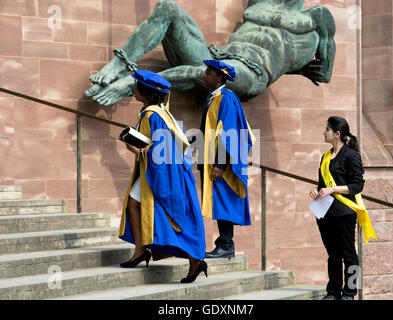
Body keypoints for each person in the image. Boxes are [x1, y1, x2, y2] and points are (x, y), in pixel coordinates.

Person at [85, 0, 335, 105]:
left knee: (206, 71)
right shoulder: (260, 3)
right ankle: (120, 64)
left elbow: (324, 73)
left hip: (252, 71)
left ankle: (132, 82)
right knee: (168, 7)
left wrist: (297, 66)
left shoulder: (317, 17)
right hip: (219, 54)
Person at [118, 69, 207, 283]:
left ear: (146, 92)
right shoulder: (161, 112)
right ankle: (140, 250)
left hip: (159, 173)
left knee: (170, 216)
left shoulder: (151, 115)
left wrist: (135, 147)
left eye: (137, 88)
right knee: (133, 205)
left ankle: (194, 259)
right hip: (167, 170)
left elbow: (156, 149)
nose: (134, 91)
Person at [309, 116, 377, 300]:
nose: (324, 132)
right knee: (333, 254)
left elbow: (358, 185)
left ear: (337, 133)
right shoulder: (325, 156)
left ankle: (350, 293)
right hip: (325, 213)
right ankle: (333, 292)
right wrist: (316, 191)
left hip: (345, 212)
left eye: (327, 129)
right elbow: (321, 184)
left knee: (349, 254)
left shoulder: (351, 155)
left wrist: (333, 189)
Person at [196, 60, 254, 259]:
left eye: (208, 72)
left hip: (221, 163)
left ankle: (226, 244)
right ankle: (224, 244)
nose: (204, 75)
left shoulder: (227, 99)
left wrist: (219, 164)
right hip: (210, 159)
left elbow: (228, 133)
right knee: (219, 201)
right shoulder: (213, 98)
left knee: (223, 201)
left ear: (219, 76)